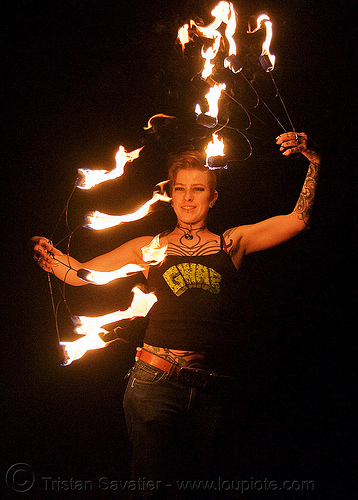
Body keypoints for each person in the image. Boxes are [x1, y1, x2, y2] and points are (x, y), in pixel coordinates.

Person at [32, 132, 321, 498]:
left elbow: (299, 220)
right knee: (150, 490)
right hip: (154, 383)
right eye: (180, 188)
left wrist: (314, 161)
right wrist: (47, 253)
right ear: (170, 195)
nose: (188, 197)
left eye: (198, 189)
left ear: (213, 197)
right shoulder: (148, 248)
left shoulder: (231, 243)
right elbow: (80, 274)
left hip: (208, 389)